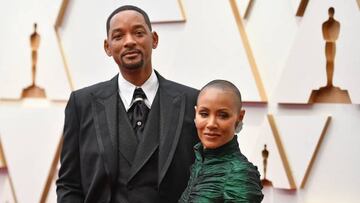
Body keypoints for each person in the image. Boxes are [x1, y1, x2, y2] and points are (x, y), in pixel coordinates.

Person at [56, 5, 199, 203]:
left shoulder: (192, 101)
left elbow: (209, 175)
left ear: (154, 39)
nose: (129, 41)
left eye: (138, 33)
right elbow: (69, 184)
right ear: (107, 47)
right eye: (118, 36)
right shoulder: (81, 104)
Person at [179, 80, 264, 202]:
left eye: (223, 115)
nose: (211, 124)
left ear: (239, 117)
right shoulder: (199, 162)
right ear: (195, 113)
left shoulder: (239, 173)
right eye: (204, 114)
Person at [322, 7, 340, 87]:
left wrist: (330, 37)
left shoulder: (337, 24)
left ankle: (330, 83)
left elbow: (336, 36)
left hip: (332, 44)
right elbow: (325, 37)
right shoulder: (324, 24)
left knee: (331, 61)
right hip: (328, 44)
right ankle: (329, 83)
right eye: (330, 12)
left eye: (331, 12)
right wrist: (331, 37)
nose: (331, 13)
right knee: (329, 61)